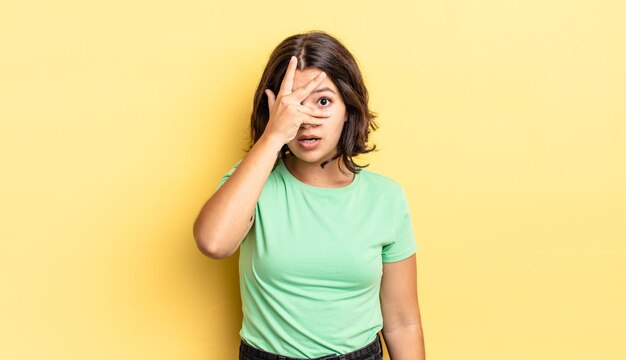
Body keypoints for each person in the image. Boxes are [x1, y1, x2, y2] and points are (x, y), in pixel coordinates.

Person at [193, 30, 425, 360]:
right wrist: (273, 137)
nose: (306, 120)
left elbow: (402, 322)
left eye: (324, 101)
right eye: (294, 105)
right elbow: (213, 243)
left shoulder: (385, 197)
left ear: (349, 107)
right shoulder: (250, 184)